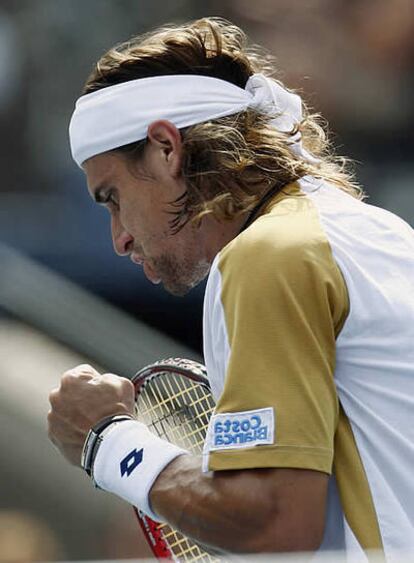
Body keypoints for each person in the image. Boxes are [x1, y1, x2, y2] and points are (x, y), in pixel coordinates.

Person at [47, 17, 414, 558]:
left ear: (166, 149)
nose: (119, 239)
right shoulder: (379, 232)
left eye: (112, 197)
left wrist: (106, 440)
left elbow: (274, 519)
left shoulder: (270, 254)